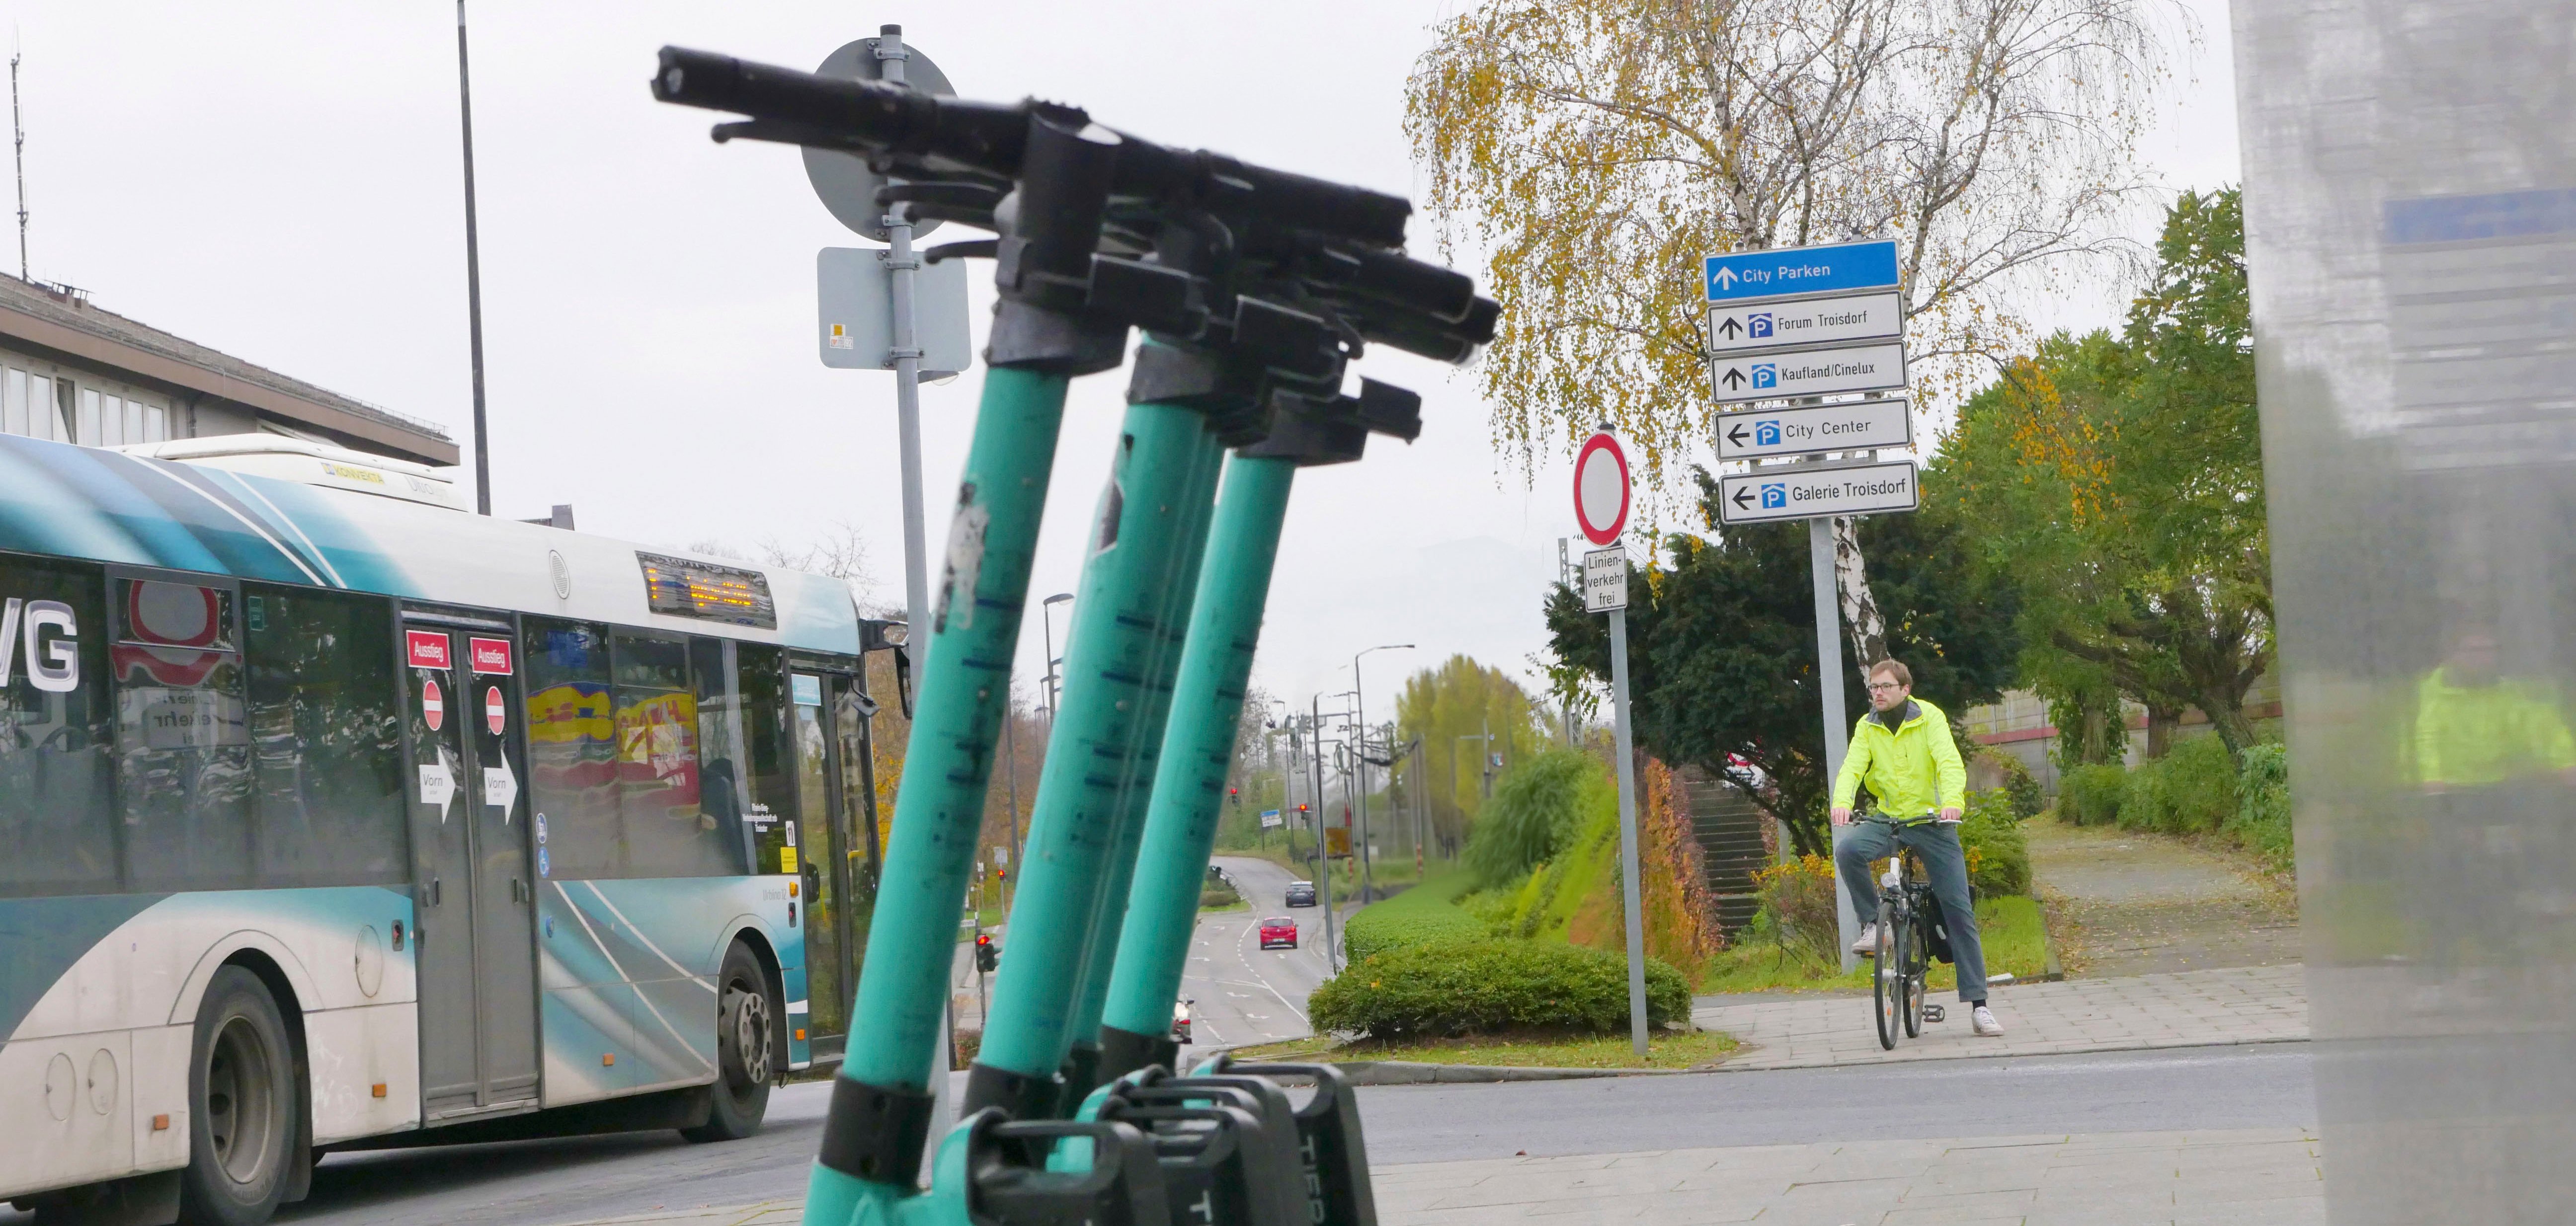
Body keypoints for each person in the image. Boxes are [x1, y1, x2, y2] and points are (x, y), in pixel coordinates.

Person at [1831, 658, 2001, 1038]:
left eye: (1885, 687)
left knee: (1958, 908)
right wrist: (1842, 801)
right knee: (1848, 852)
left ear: (1905, 690)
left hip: (1932, 822)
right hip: (1890, 818)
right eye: (1873, 688)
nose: (1877, 694)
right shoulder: (1867, 726)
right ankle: (1876, 924)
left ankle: (1979, 1006)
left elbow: (1949, 763)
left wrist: (1952, 801)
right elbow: (1852, 768)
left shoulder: (1930, 718)